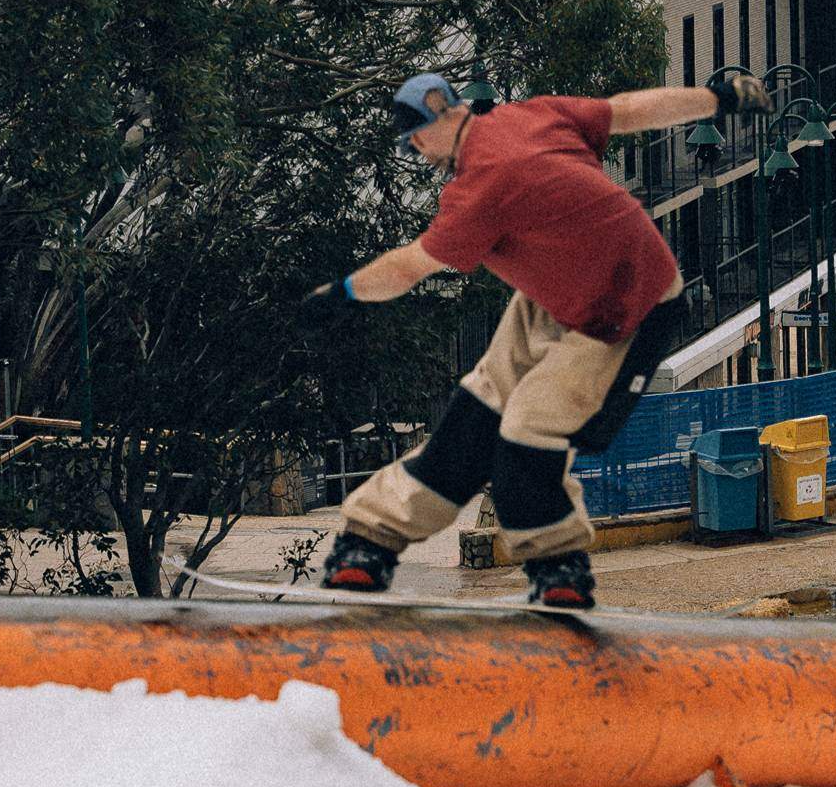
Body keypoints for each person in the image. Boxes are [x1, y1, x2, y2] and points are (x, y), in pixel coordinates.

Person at [303, 71, 771, 608]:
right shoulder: (534, 113)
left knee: (526, 434)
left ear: (442, 120)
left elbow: (408, 268)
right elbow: (630, 110)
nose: (413, 149)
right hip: (557, 300)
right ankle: (369, 543)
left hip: (624, 316)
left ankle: (557, 566)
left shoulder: (477, 188)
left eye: (413, 137)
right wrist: (717, 99)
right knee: (473, 421)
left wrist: (340, 293)